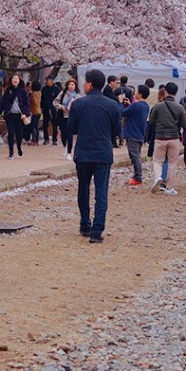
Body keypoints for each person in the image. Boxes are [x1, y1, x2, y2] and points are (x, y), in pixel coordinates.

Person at [66, 69, 122, 242]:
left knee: (83, 189)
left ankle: (85, 224)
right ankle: (97, 231)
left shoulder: (78, 104)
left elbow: (71, 128)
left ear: (89, 84)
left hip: (83, 152)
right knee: (101, 192)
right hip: (103, 152)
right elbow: (117, 131)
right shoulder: (112, 105)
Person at [147, 82, 186, 194]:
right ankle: (169, 188)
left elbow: (151, 121)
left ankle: (158, 177)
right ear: (176, 93)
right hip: (174, 137)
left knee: (157, 161)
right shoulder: (180, 107)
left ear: (166, 92)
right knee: (172, 163)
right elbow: (184, 124)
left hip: (160, 137)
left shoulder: (158, 106)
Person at [121, 85, 150, 186]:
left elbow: (123, 113)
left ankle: (138, 177)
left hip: (132, 133)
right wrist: (130, 105)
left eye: (136, 91)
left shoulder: (136, 105)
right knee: (136, 155)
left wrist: (121, 103)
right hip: (140, 134)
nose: (135, 93)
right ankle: (136, 176)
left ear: (140, 93)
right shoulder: (146, 106)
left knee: (134, 156)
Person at [3, 79, 31, 157]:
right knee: (11, 133)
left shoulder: (23, 91)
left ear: (19, 81)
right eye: (13, 79)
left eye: (16, 79)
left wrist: (25, 113)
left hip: (20, 116)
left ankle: (19, 147)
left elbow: (27, 103)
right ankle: (11, 152)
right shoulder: (8, 91)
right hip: (10, 115)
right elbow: (2, 103)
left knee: (19, 134)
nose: (15, 80)